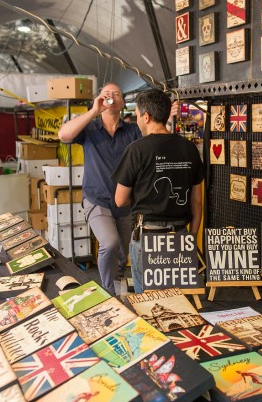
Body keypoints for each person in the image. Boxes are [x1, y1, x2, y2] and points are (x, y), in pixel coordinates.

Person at [113, 89, 204, 294]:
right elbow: (197, 202)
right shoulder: (189, 148)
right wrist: (193, 237)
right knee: (182, 303)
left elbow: (119, 200)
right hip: (181, 236)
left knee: (150, 305)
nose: (137, 121)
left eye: (137, 116)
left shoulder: (136, 149)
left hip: (147, 237)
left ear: (146, 117)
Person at [58, 83, 141, 296]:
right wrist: (95, 111)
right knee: (110, 243)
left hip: (125, 202)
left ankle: (118, 288)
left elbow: (156, 136)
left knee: (122, 254)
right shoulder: (89, 128)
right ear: (99, 99)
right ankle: (108, 292)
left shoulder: (132, 131)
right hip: (97, 199)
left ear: (122, 102)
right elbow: (64, 135)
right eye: (106, 94)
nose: (111, 97)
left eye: (116, 94)